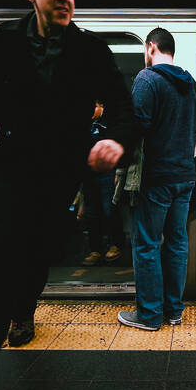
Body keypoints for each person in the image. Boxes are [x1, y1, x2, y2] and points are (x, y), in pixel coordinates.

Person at [0, 0, 136, 390]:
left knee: (32, 259)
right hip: (9, 170)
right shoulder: (8, 40)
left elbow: (124, 108)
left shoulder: (90, 50)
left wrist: (115, 139)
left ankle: (21, 314)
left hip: (59, 176)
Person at [117, 27, 196, 331]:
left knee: (146, 244)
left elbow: (137, 125)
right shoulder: (188, 80)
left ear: (151, 47)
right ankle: (174, 311)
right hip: (186, 175)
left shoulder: (147, 79)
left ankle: (148, 315)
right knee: (177, 243)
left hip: (157, 177)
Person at [81, 101, 126, 266]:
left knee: (109, 210)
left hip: (107, 172)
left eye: (95, 107)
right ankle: (95, 249)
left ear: (102, 107)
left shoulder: (109, 124)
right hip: (88, 173)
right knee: (92, 212)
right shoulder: (83, 124)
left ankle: (116, 244)